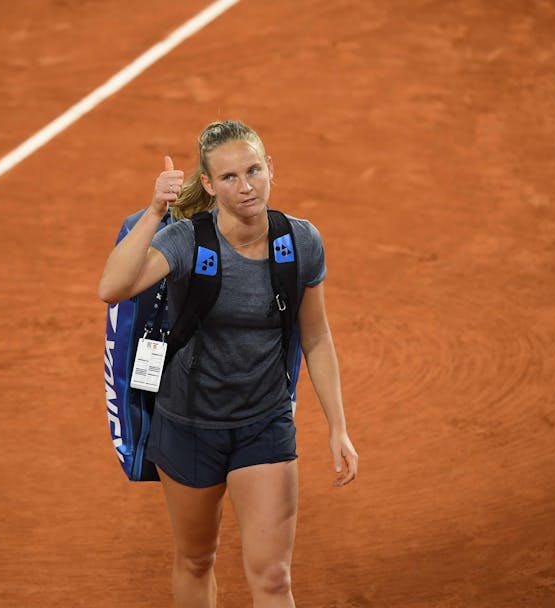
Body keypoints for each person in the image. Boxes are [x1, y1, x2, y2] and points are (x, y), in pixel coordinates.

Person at [98, 120, 358, 608]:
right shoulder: (185, 241)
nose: (247, 186)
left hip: (264, 422)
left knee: (275, 579)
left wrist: (337, 428)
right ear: (210, 185)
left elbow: (316, 336)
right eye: (231, 177)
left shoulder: (300, 242)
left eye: (254, 170)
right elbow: (111, 288)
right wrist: (157, 210)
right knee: (197, 560)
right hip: (188, 424)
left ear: (270, 169)